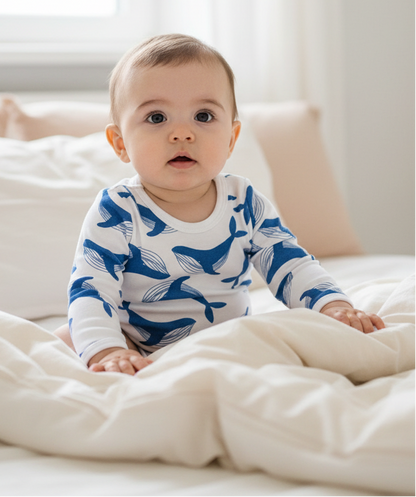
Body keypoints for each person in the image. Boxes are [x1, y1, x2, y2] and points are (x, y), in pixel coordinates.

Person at [54, 33, 385, 376]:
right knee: (68, 342)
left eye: (203, 116)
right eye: (156, 118)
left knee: (287, 343)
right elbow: (91, 289)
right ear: (120, 143)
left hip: (226, 338)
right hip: (134, 342)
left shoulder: (243, 202)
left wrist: (334, 306)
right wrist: (107, 350)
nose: (182, 133)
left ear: (231, 139)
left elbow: (291, 264)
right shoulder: (117, 211)